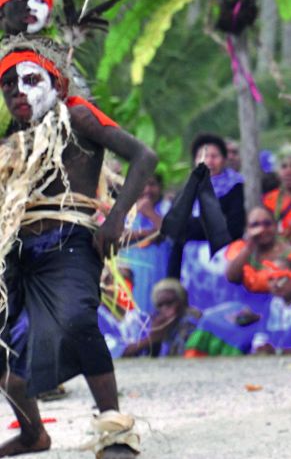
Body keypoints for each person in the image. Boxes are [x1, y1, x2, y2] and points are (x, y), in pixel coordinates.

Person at [0, 37, 157, 457]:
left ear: (55, 83)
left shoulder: (78, 117)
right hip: (18, 254)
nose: (18, 90)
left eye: (30, 80)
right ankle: (33, 433)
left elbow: (144, 156)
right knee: (9, 358)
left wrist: (116, 218)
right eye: (8, 84)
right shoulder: (12, 138)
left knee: (76, 320)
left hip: (70, 243)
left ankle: (116, 430)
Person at [184, 206, 291, 356]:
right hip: (242, 308)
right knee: (209, 320)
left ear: (276, 227)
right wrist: (249, 247)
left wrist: (263, 315)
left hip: (278, 311)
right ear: (247, 229)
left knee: (245, 333)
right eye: (255, 225)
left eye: (267, 224)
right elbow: (231, 277)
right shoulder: (241, 249)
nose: (262, 229)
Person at [165, 134, 246, 306]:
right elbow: (176, 228)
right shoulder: (188, 189)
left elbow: (234, 228)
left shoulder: (236, 188)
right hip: (188, 265)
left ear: (224, 159)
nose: (209, 160)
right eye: (203, 156)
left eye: (214, 156)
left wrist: (192, 227)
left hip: (221, 264)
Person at [121, 279, 200, 358]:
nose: (165, 308)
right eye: (160, 305)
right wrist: (153, 337)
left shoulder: (191, 321)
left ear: (182, 302)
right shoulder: (157, 324)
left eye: (169, 302)